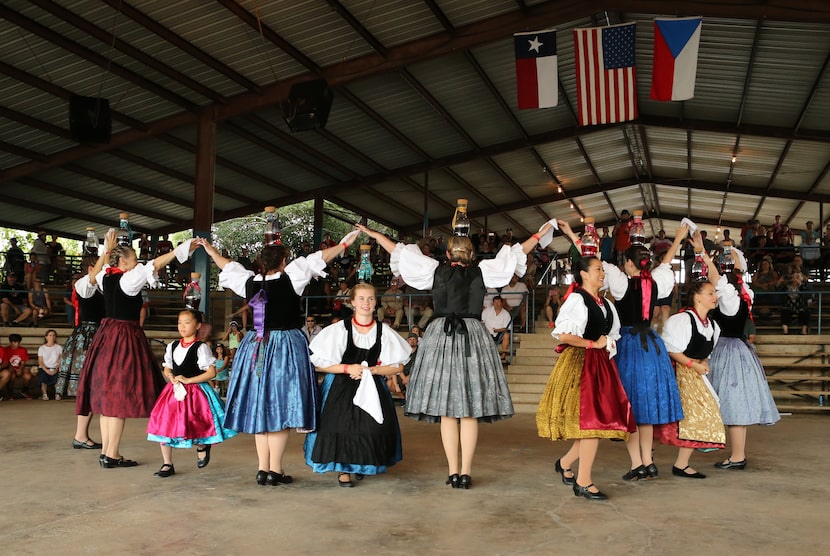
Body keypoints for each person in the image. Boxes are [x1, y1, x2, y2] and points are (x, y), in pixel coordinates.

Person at [358, 220, 552, 489]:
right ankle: (466, 472)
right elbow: (515, 254)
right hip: (473, 334)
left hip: (441, 334)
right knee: (469, 411)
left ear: (447, 255)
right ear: (472, 255)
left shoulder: (434, 270)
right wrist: (539, 233)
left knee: (448, 413)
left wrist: (373, 234)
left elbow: (398, 251)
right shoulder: (484, 271)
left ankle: (452, 472)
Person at [195, 231, 359, 486]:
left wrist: (210, 249)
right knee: (280, 409)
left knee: (262, 408)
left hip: (256, 346)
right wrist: (346, 243)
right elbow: (322, 257)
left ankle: (263, 469)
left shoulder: (248, 281)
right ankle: (275, 470)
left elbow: (226, 264)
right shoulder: (293, 276)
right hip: (285, 347)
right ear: (283, 261)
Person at [75, 230, 195, 469]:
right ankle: (111, 454)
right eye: (133, 259)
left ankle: (109, 453)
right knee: (118, 397)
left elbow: (87, 282)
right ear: (123, 262)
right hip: (124, 337)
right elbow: (156, 263)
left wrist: (105, 252)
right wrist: (183, 249)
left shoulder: (104, 278)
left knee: (108, 399)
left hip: (106, 335)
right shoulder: (128, 279)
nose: (137, 263)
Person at [536, 253, 635, 501]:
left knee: (593, 425)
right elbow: (564, 336)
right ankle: (583, 481)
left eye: (603, 270)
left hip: (601, 365)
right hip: (581, 364)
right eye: (599, 269)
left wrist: (606, 344)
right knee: (591, 425)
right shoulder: (577, 300)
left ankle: (565, 463)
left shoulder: (606, 304)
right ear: (583, 273)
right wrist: (594, 344)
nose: (603, 274)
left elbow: (612, 336)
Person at [595, 223, 688, 481]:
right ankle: (648, 462)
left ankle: (637, 463)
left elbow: (598, 261)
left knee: (631, 407)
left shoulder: (622, 283)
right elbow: (667, 262)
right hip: (652, 346)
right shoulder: (655, 280)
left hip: (630, 345)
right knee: (645, 408)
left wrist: (585, 238)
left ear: (629, 263)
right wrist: (679, 236)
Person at [303, 283, 411, 487]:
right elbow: (319, 363)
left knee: (371, 427)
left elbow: (398, 365)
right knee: (339, 426)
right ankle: (344, 470)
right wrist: (347, 368)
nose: (366, 303)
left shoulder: (383, 331)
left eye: (370, 298)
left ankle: (362, 463)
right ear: (352, 302)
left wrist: (375, 371)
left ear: (375, 302)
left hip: (372, 385)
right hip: (341, 385)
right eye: (361, 298)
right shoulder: (338, 330)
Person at [654, 239, 726, 479]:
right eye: (710, 293)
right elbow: (670, 350)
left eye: (714, 293)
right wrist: (692, 364)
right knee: (670, 418)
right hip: (678, 371)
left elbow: (704, 351)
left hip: (694, 371)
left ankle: (681, 463)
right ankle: (647, 458)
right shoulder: (682, 320)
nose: (714, 296)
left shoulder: (712, 325)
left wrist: (702, 362)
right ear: (697, 297)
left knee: (700, 413)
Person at [709, 250, 780, 471]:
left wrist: (703, 254)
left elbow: (716, 280)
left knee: (732, 404)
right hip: (738, 349)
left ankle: (738, 456)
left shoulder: (730, 296)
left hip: (728, 351)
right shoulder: (744, 293)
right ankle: (736, 454)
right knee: (733, 403)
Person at [146, 309, 237, 478]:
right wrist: (170, 375)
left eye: (187, 322)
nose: (182, 326)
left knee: (196, 422)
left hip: (196, 392)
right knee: (165, 423)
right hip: (174, 391)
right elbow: (167, 366)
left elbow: (211, 373)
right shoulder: (173, 345)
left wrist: (188, 380)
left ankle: (202, 446)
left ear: (198, 326)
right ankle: (167, 463)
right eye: (180, 322)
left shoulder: (201, 347)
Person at [56, 256, 105, 450]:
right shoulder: (84, 284)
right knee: (88, 388)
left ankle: (81, 435)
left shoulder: (100, 286)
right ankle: (80, 435)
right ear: (92, 268)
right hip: (87, 338)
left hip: (98, 336)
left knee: (92, 389)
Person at [1, 333, 32, 399]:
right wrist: (14, 369)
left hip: (19, 367)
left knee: (28, 375)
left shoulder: (23, 350)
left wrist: (20, 369)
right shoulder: (5, 350)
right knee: (12, 376)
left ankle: (25, 391)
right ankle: (10, 392)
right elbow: (6, 362)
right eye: (14, 342)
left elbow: (23, 362)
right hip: (10, 368)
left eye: (18, 342)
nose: (17, 344)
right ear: (10, 342)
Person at [481, 295, 512, 362]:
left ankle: (503, 355)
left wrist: (496, 330)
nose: (497, 304)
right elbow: (482, 322)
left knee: (506, 335)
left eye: (498, 302)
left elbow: (506, 328)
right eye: (495, 302)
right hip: (487, 331)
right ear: (493, 303)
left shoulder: (506, 314)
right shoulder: (486, 311)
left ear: (502, 303)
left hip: (499, 332)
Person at [37, 330, 62, 400]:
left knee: (58, 378)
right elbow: (40, 362)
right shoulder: (41, 348)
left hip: (55, 367)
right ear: (46, 337)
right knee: (43, 380)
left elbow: (60, 360)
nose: (52, 337)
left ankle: (57, 393)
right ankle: (44, 394)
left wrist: (56, 369)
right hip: (44, 368)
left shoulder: (59, 347)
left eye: (54, 335)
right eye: (50, 335)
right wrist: (46, 370)